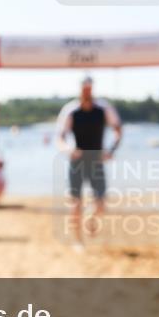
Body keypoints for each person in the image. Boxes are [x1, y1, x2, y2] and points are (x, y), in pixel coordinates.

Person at [56, 76, 122, 246]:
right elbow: (60, 137)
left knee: (101, 203)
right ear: (80, 90)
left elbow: (118, 130)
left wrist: (111, 150)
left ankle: (91, 218)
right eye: (84, 89)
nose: (87, 92)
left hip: (96, 159)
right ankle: (78, 241)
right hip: (77, 159)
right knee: (75, 203)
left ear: (92, 89)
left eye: (89, 88)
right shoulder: (70, 110)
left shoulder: (104, 108)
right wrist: (67, 149)